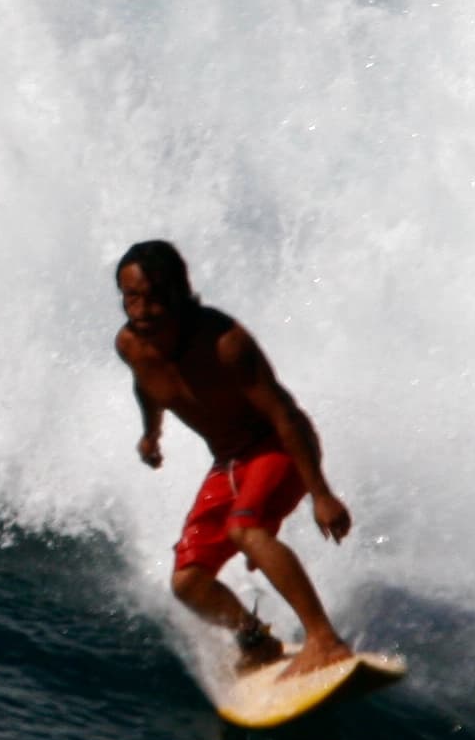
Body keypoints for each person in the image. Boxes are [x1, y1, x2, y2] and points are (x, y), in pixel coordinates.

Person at [113, 239, 355, 678]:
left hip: (277, 445)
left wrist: (321, 493)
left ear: (180, 293)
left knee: (245, 529)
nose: (143, 311)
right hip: (229, 463)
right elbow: (145, 386)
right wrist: (151, 433)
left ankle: (325, 640)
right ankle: (257, 641)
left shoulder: (226, 343)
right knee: (188, 583)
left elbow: (285, 415)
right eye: (132, 298)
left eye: (154, 297)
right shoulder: (131, 346)